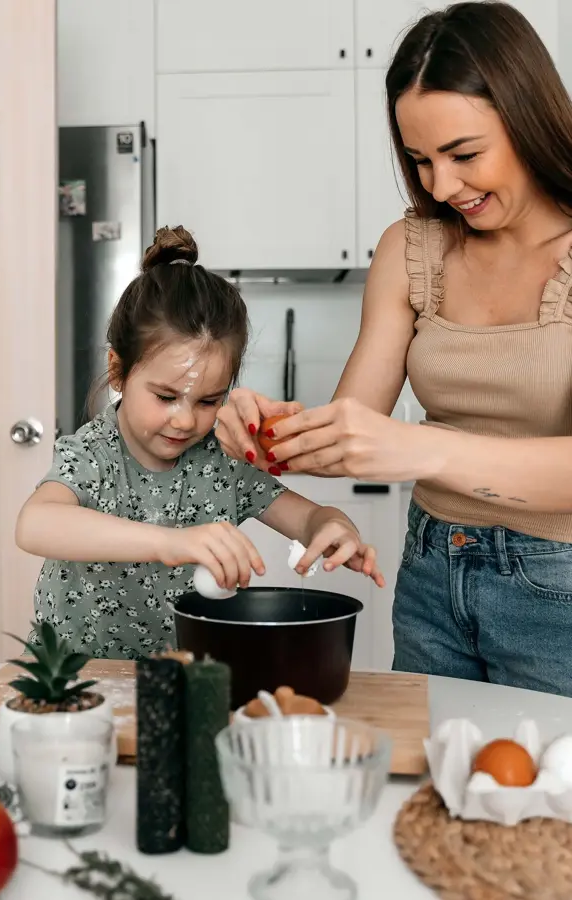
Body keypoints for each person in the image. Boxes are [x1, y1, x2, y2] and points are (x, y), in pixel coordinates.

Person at [215, 2, 572, 696]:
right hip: (433, 574)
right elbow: (345, 431)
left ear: (527, 117)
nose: (441, 185)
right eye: (420, 160)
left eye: (464, 154)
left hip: (558, 585)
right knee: (432, 788)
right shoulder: (411, 249)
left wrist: (422, 449)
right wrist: (260, 429)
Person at [16, 227, 382, 658]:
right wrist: (170, 542)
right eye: (166, 397)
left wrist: (334, 528)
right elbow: (35, 524)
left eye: (209, 400)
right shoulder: (94, 453)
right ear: (117, 371)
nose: (187, 419)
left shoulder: (221, 460)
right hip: (79, 677)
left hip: (183, 674)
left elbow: (309, 518)